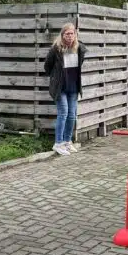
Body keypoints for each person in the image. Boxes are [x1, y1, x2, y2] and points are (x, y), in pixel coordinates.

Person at [44, 23, 87, 156]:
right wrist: (56, 78)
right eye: (67, 34)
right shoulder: (56, 49)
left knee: (72, 115)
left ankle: (67, 141)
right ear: (62, 35)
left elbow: (80, 64)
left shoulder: (79, 48)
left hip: (73, 87)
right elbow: (47, 66)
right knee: (63, 113)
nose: (69, 36)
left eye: (72, 33)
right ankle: (58, 143)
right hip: (60, 87)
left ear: (75, 35)